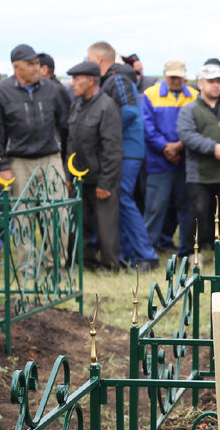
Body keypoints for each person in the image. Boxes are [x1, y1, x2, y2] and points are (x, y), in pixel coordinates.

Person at [0, 42, 71, 269]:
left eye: (37, 63)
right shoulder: (0, 92)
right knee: (23, 215)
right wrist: (2, 164)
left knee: (59, 213)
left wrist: (63, 158)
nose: (37, 67)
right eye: (31, 64)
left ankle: (56, 264)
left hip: (51, 157)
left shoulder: (52, 89)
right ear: (16, 66)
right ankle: (28, 266)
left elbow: (65, 125)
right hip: (18, 161)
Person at [87, 41, 157, 270]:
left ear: (98, 60)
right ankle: (130, 253)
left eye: (89, 59)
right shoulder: (112, 80)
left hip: (127, 150)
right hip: (123, 150)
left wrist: (102, 126)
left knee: (124, 199)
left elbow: (129, 111)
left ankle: (146, 255)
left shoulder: (117, 79)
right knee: (120, 201)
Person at [66, 61, 123, 270]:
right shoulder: (77, 105)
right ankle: (85, 262)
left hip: (101, 178)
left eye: (75, 79)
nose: (72, 84)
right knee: (80, 223)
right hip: (79, 179)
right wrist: (68, 175)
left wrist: (106, 183)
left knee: (106, 226)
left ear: (90, 81)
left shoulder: (107, 106)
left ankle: (110, 266)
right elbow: (70, 144)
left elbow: (113, 149)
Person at [177, 63, 220, 251]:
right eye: (210, 81)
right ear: (200, 84)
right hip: (199, 172)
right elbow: (187, 135)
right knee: (198, 212)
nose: (215, 85)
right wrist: (213, 148)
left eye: (218, 81)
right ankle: (193, 252)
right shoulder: (189, 109)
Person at [140, 59, 197, 254]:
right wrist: (165, 147)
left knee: (185, 208)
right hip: (159, 161)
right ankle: (148, 251)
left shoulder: (194, 96)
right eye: (172, 76)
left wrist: (179, 146)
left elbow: (197, 126)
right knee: (154, 208)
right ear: (165, 75)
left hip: (186, 162)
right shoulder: (150, 95)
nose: (176, 80)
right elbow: (147, 127)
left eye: (179, 77)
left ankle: (186, 250)